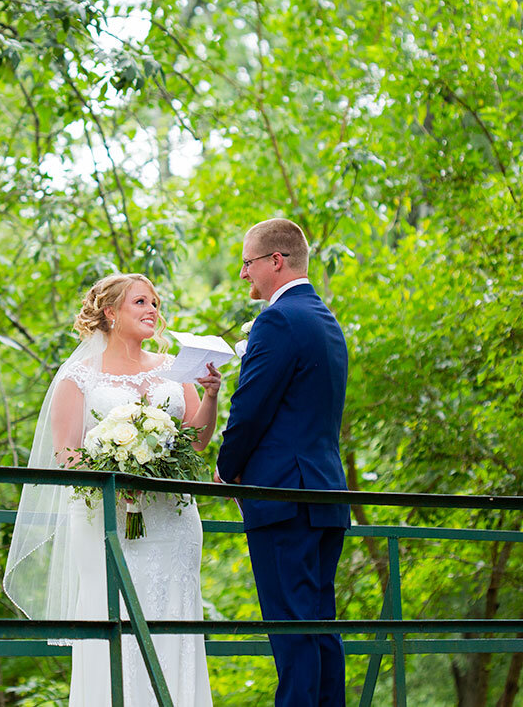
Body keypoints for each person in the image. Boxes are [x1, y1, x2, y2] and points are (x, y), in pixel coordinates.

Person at [4, 273, 221, 706]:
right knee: (115, 621)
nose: (152, 311)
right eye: (141, 302)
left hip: (173, 520)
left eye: (155, 303)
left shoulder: (174, 368)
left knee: (175, 618)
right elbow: (66, 454)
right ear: (111, 312)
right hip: (107, 521)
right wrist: (113, 475)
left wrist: (211, 396)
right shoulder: (79, 377)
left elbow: (196, 441)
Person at [215, 219, 350, 706]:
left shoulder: (278, 320)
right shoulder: (325, 319)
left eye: (248, 263)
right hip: (325, 496)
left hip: (283, 499)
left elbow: (250, 408)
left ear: (276, 261)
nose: (243, 275)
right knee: (319, 630)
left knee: (292, 634)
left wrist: (227, 469)